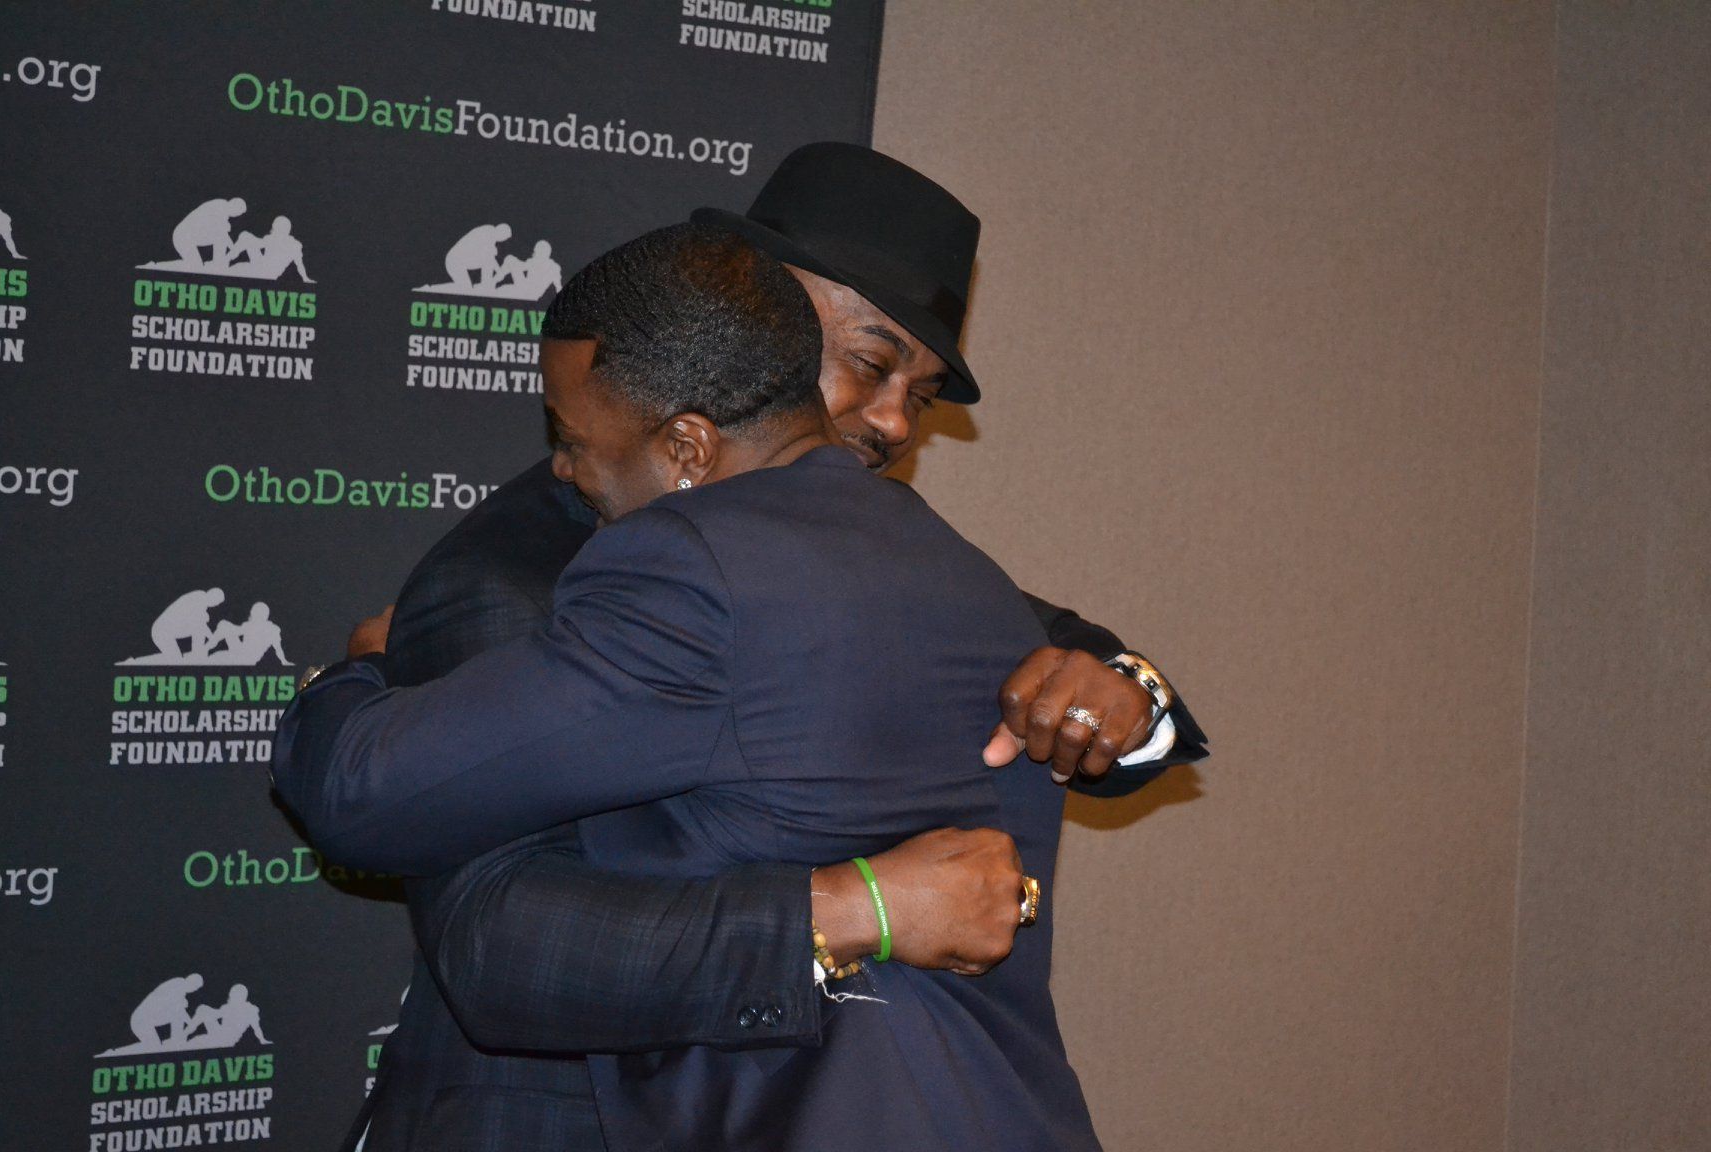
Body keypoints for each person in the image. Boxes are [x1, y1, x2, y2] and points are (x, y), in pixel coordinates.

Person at [313, 144, 1207, 1151]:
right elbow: (502, 939)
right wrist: (861, 907)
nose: (892, 422)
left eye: (919, 394)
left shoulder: (883, 558)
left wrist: (1124, 703)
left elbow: (1054, 649)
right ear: (748, 306)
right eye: (872, 362)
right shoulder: (511, 573)